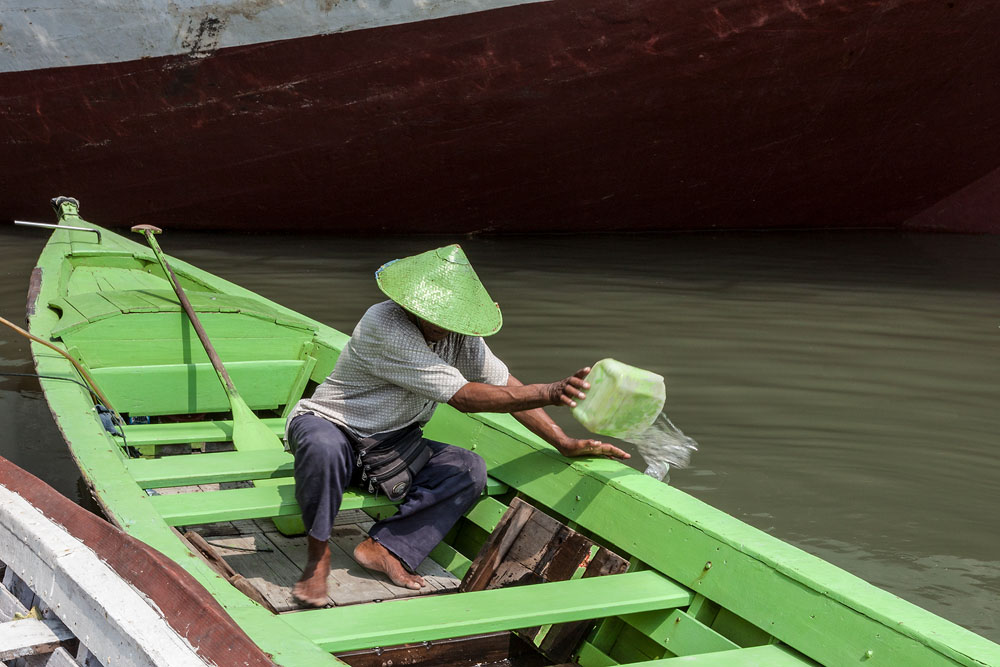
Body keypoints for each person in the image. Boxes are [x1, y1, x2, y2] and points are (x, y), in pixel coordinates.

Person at [286, 244, 629, 607]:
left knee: (467, 468)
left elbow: (503, 384)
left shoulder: (459, 333)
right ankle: (317, 557)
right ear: (411, 303)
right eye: (433, 315)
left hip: (391, 443)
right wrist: (548, 391)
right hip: (332, 426)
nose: (441, 325)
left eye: (450, 317)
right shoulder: (384, 324)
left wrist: (561, 440)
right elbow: (464, 398)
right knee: (323, 447)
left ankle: (385, 547)